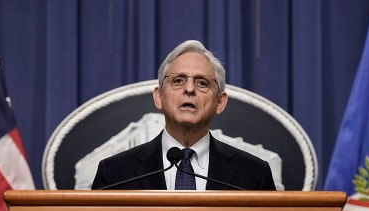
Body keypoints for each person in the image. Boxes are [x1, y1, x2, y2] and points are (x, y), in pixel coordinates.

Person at [91, 40, 276, 190]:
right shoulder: (114, 175)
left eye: (202, 83)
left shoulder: (255, 176)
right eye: (178, 80)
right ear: (159, 97)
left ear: (220, 102)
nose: (189, 89)